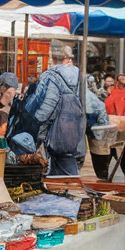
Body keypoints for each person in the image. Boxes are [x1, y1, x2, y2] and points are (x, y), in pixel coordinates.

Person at [26, 44, 91, 176]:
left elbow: (46, 107)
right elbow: (91, 104)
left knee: (66, 173)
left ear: (53, 59)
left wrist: (36, 131)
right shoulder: (80, 76)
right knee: (63, 168)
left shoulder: (50, 76)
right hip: (75, 131)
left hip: (57, 134)